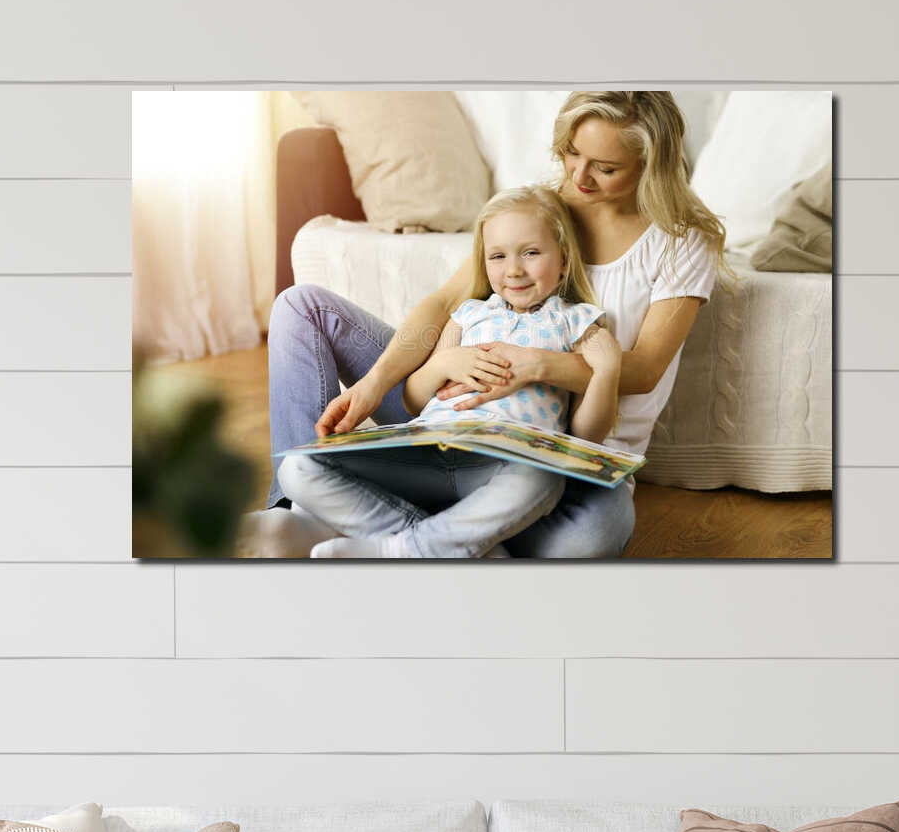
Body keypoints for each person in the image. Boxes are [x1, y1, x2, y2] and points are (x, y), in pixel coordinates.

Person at [256, 90, 727, 558]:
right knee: (302, 307)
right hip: (452, 410)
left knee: (585, 542)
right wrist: (376, 384)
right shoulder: (541, 210)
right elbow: (445, 304)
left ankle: (376, 527)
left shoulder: (683, 242)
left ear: (649, 165)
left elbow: (643, 369)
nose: (578, 176)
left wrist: (536, 366)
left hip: (563, 445)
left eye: (605, 168)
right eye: (571, 153)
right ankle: (303, 508)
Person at [276, 187, 622, 559]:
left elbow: (587, 435)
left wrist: (607, 373)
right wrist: (442, 364)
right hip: (426, 450)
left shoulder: (577, 324)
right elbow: (413, 402)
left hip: (503, 466)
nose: (514, 270)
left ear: (564, 261)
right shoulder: (469, 314)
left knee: (543, 476)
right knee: (297, 467)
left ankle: (404, 550)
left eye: (531, 253)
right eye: (498, 256)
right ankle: (449, 549)